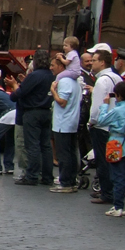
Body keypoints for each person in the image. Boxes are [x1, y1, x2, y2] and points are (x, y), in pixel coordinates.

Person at [5, 49, 55, 187]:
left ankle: (32, 175)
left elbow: (18, 94)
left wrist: (14, 87)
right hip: (46, 111)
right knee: (46, 146)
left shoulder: (35, 75)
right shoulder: (51, 75)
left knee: (32, 145)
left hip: (32, 112)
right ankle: (47, 176)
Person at [93, 80, 125, 217]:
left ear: (118, 95)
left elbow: (101, 120)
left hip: (116, 144)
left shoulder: (117, 110)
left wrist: (104, 106)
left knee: (118, 177)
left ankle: (118, 206)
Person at [86, 48, 122, 204]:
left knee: (103, 161)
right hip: (115, 125)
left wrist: (92, 121)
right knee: (114, 160)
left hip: (102, 126)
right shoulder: (117, 78)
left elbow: (97, 107)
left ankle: (106, 193)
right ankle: (113, 190)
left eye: (94, 60)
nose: (91, 63)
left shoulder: (101, 81)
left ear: (102, 62)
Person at [49, 55, 82, 193]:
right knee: (71, 153)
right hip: (71, 121)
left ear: (61, 66)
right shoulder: (75, 81)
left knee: (64, 154)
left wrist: (53, 91)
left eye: (53, 65)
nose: (50, 68)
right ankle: (72, 180)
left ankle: (66, 182)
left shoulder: (64, 81)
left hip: (63, 123)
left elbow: (62, 102)